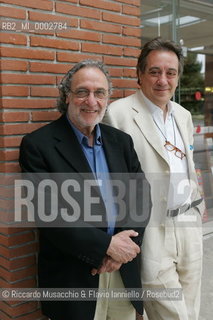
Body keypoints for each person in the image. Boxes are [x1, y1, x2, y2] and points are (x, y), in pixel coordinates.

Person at [19, 60, 150, 320]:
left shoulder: (120, 141)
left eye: (100, 92)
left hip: (122, 272)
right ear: (67, 96)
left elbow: (141, 197)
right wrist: (107, 246)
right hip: (74, 276)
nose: (92, 101)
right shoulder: (38, 145)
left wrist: (123, 250)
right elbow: (49, 215)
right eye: (82, 92)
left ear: (107, 98)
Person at [103, 38, 205, 320]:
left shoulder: (182, 115)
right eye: (154, 71)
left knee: (191, 307)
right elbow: (108, 180)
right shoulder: (117, 114)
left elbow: (187, 162)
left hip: (189, 225)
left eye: (170, 73)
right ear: (139, 74)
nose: (163, 80)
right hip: (151, 232)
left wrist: (198, 202)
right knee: (172, 314)